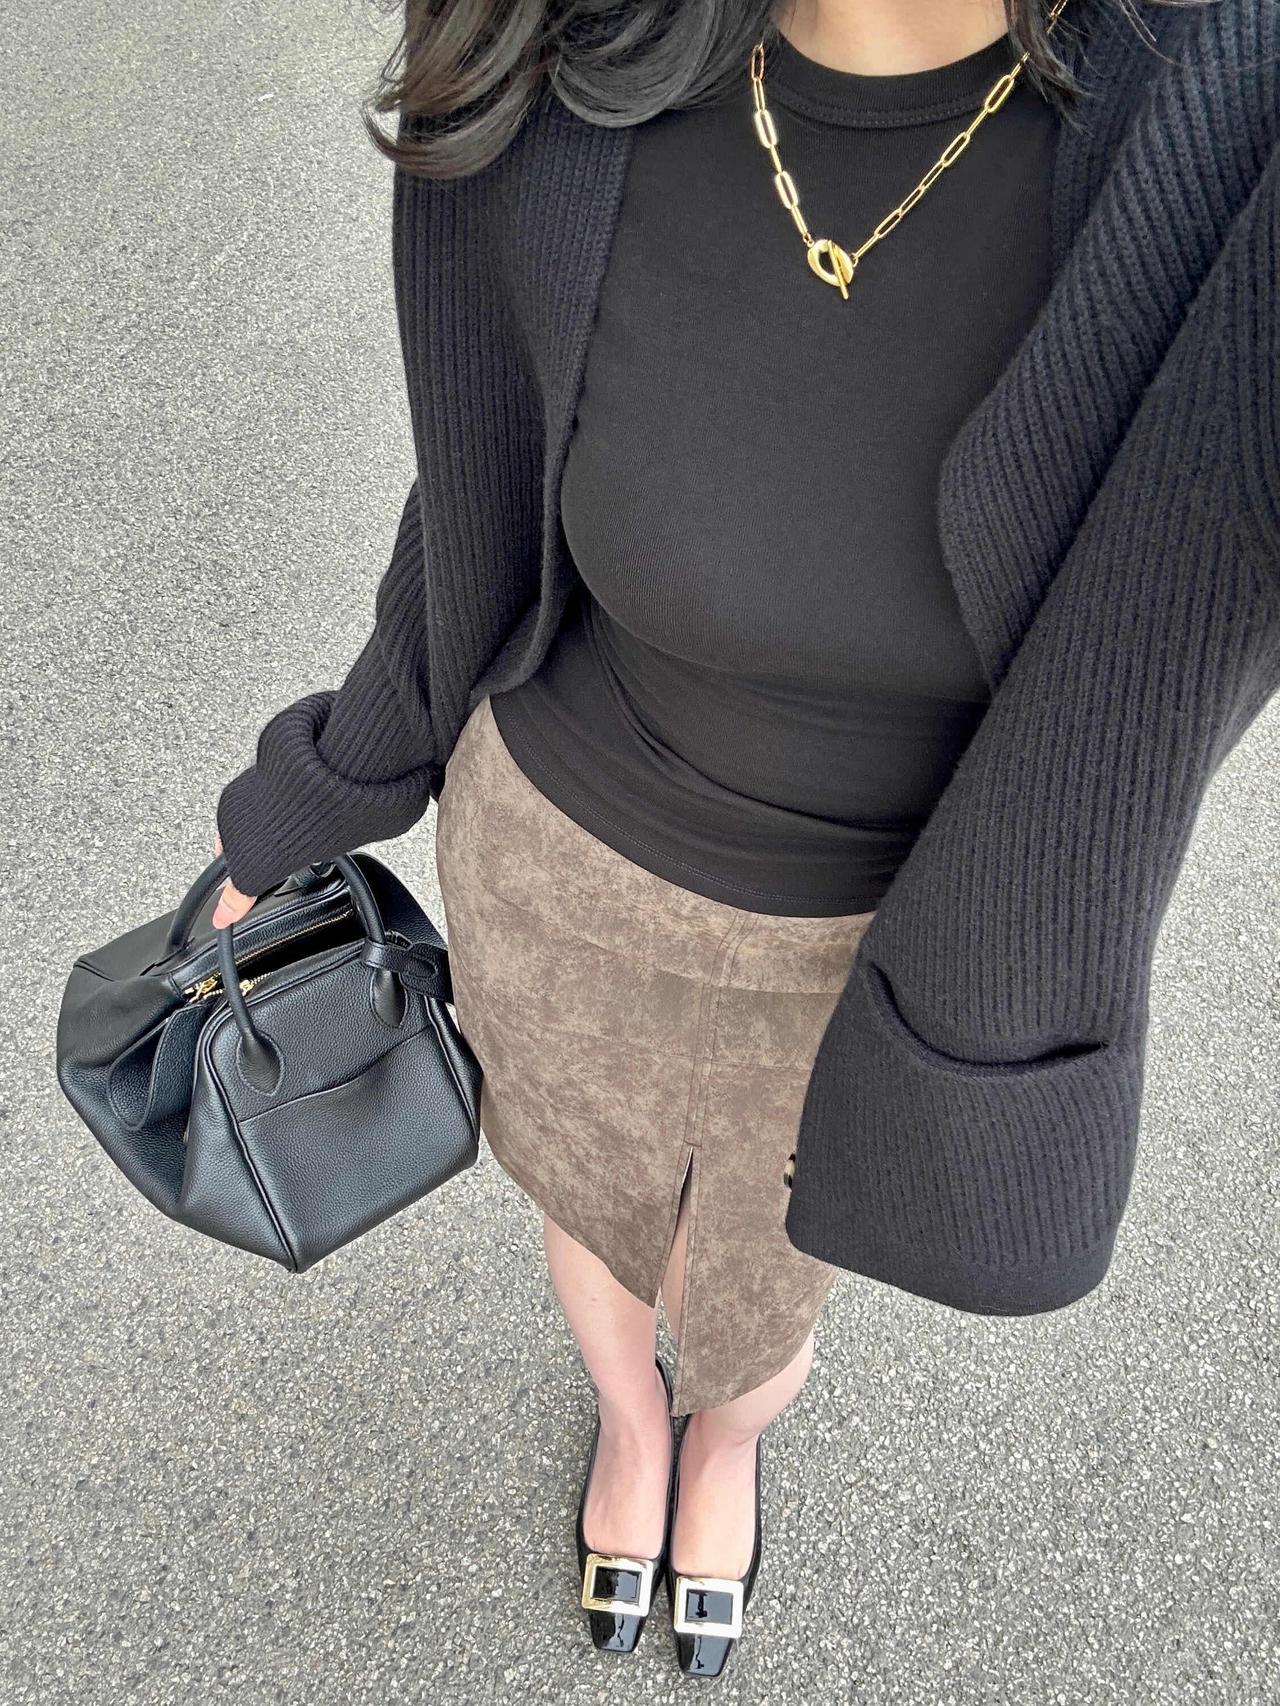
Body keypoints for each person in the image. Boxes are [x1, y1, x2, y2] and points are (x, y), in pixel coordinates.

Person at [210, 0, 1278, 1681]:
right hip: (561, 867)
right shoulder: (561, 46)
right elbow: (478, 497)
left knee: (765, 1293)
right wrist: (315, 796)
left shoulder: (1225, 114)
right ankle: (633, 1429)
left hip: (873, 953)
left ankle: (726, 1442)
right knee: (588, 1207)